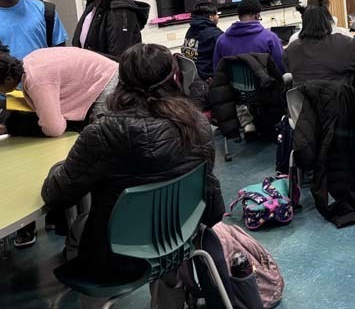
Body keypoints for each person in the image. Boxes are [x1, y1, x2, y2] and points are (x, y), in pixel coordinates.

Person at [41, 44, 223, 292]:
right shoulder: (198, 124)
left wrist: (59, 168)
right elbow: (209, 189)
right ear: (174, 77)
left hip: (115, 259)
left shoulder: (103, 132)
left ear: (121, 81)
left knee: (79, 227)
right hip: (182, 238)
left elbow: (56, 194)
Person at [0, 0, 68, 248]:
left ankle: (56, 211)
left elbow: (62, 53)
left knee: (50, 154)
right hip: (4, 103)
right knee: (11, 165)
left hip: (43, 97)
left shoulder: (44, 11)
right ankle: (21, 224)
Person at [0, 46, 118, 138]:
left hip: (107, 83)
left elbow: (54, 129)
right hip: (106, 75)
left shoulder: (36, 80)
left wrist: (11, 127)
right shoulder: (30, 60)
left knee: (99, 136)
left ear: (8, 79)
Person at [284, 6, 355, 86]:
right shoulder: (342, 42)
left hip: (303, 107)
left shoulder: (292, 48)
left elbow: (286, 68)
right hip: (339, 105)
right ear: (327, 22)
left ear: (304, 24)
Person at [213, 0, 284, 73]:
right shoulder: (270, 38)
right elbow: (281, 67)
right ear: (257, 15)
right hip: (265, 83)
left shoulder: (221, 40)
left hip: (234, 84)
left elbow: (217, 70)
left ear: (239, 16)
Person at [181, 3, 223, 80]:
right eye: (217, 14)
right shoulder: (215, 34)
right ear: (211, 17)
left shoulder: (190, 31)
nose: (218, 16)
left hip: (192, 76)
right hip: (207, 77)